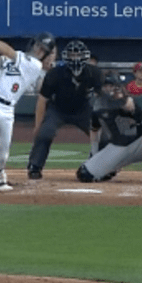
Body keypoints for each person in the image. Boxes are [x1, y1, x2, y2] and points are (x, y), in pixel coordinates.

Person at [0, 32, 55, 191]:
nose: (39, 50)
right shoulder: (15, 58)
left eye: (43, 49)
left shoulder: (34, 65)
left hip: (8, 109)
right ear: (33, 43)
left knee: (3, 151)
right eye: (38, 45)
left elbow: (9, 52)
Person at [27, 39, 105, 180]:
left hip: (83, 109)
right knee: (45, 133)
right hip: (58, 109)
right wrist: (38, 126)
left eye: (78, 55)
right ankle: (35, 166)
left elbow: (103, 98)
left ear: (85, 56)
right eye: (72, 55)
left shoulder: (94, 73)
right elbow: (42, 100)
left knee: (102, 135)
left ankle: (99, 166)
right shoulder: (55, 73)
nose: (75, 58)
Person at [75, 73, 142, 184]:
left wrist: (116, 98)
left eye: (113, 86)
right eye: (107, 86)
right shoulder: (97, 108)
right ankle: (110, 169)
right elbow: (95, 130)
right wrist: (94, 152)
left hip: (139, 144)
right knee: (84, 174)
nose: (111, 89)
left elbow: (128, 105)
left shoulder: (127, 101)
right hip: (118, 147)